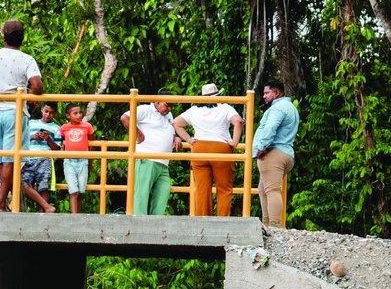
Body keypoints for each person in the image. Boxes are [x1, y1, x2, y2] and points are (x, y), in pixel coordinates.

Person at [0, 19, 43, 211]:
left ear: (3, 36)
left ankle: (6, 197)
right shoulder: (27, 59)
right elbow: (37, 86)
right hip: (15, 111)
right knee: (10, 158)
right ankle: (2, 202)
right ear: (23, 38)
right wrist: (30, 95)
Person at [173, 83, 243, 216]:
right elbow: (238, 122)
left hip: (199, 149)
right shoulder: (225, 108)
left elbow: (176, 123)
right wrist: (234, 142)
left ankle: (203, 221)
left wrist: (188, 139)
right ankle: (223, 220)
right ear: (218, 95)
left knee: (202, 189)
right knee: (224, 188)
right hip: (221, 148)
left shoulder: (194, 110)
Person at [121, 90, 180, 215]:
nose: (169, 108)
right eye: (166, 105)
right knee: (141, 194)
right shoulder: (145, 110)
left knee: (163, 193)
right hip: (147, 159)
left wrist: (176, 137)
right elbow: (125, 118)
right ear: (156, 101)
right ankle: (138, 225)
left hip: (163, 163)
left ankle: (155, 225)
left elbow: (171, 130)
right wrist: (138, 133)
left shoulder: (168, 116)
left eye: (171, 106)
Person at [251, 78, 300, 226]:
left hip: (273, 153)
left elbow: (270, 128)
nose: (264, 96)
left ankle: (274, 226)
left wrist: (262, 147)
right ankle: (267, 225)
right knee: (263, 189)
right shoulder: (290, 107)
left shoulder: (278, 108)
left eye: (267, 93)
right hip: (285, 153)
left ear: (277, 92)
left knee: (272, 190)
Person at [21, 102, 61, 212]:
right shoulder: (31, 123)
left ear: (55, 114)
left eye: (51, 113)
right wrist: (33, 137)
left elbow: (58, 149)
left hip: (45, 158)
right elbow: (20, 140)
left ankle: (43, 213)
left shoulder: (56, 128)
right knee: (23, 184)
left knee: (44, 188)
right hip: (28, 157)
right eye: (46, 111)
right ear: (42, 110)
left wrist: (48, 139)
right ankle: (47, 207)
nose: (48, 115)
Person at [60, 104, 95, 214]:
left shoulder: (87, 126)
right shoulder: (64, 128)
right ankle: (74, 217)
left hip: (83, 161)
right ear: (68, 116)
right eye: (75, 113)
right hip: (69, 161)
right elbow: (60, 141)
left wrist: (90, 161)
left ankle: (77, 215)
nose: (79, 115)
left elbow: (93, 143)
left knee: (80, 191)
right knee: (73, 191)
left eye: (80, 112)